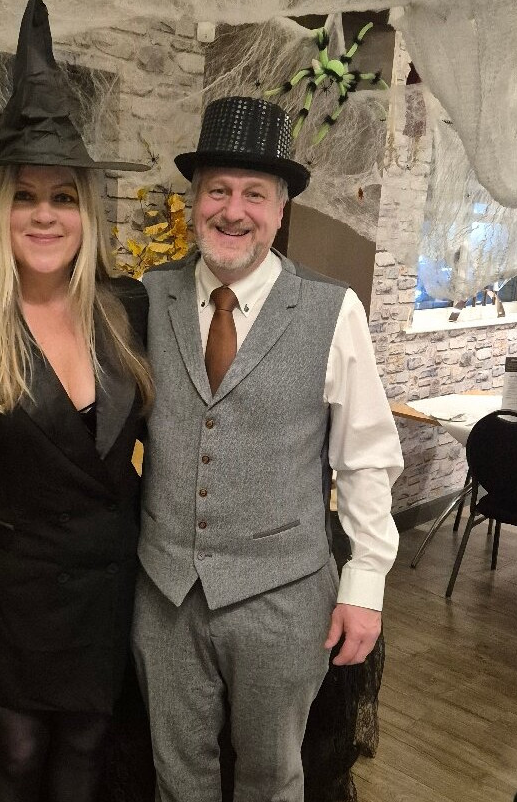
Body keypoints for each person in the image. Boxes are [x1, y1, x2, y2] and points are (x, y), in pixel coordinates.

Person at [0, 0, 151, 801]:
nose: (45, 215)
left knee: (86, 743)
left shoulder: (129, 310)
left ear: (86, 211)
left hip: (106, 580)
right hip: (6, 586)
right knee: (12, 751)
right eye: (25, 195)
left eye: (64, 196)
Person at [131, 96, 404, 802]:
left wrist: (366, 585)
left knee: (272, 778)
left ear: (281, 210)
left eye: (254, 193)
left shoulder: (332, 309)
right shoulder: (147, 297)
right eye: (217, 190)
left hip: (282, 598)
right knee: (175, 776)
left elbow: (365, 457)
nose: (233, 210)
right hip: (164, 592)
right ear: (194, 202)